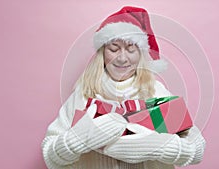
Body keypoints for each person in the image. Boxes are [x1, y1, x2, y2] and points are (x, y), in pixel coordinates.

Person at [41, 6, 206, 169]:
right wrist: (76, 140)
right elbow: (50, 157)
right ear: (102, 53)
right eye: (113, 49)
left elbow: (197, 150)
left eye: (131, 49)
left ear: (140, 54)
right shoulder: (83, 95)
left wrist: (160, 147)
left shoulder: (155, 91)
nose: (122, 58)